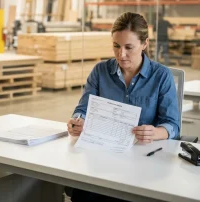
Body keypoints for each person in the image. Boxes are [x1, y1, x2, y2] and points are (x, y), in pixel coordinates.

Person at [67, 12, 180, 202]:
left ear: (144, 44)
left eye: (129, 47)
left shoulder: (162, 76)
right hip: (103, 156)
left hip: (143, 161)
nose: (121, 54)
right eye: (116, 46)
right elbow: (83, 108)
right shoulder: (100, 71)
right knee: (83, 192)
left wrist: (155, 132)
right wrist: (78, 120)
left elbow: (173, 125)